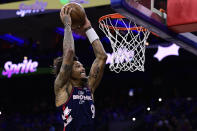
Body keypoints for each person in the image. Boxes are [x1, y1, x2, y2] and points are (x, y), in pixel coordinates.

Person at [53, 5, 107, 131]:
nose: (83, 68)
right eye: (77, 66)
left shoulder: (89, 86)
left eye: (82, 65)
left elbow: (102, 57)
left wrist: (88, 28)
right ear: (68, 71)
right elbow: (69, 52)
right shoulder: (62, 87)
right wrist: (67, 25)